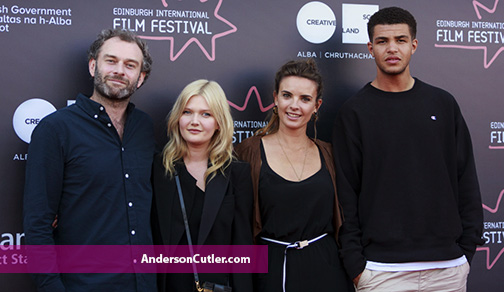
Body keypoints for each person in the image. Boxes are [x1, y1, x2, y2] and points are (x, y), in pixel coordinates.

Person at [332, 7, 484, 292]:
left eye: (400, 40)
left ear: (413, 45)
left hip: (447, 269)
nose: (392, 48)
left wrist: (466, 251)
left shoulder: (443, 104)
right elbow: (345, 195)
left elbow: (466, 179)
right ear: (370, 48)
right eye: (382, 41)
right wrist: (356, 266)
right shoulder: (354, 112)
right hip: (380, 272)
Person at [23, 28, 156, 291]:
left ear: (140, 78)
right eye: (111, 61)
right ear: (93, 65)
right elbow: (37, 224)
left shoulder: (144, 128)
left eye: (130, 65)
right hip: (84, 284)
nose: (119, 70)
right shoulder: (56, 130)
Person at [235, 59, 352, 292]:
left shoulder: (329, 153)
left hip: (327, 272)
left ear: (317, 105)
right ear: (275, 99)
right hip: (270, 274)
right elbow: (237, 226)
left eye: (305, 99)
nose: (294, 105)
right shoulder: (248, 151)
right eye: (287, 95)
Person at [151, 79, 254, 292]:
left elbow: (243, 247)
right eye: (187, 112)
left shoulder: (237, 174)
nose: (194, 121)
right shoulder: (157, 169)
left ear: (218, 122)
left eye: (206, 114)